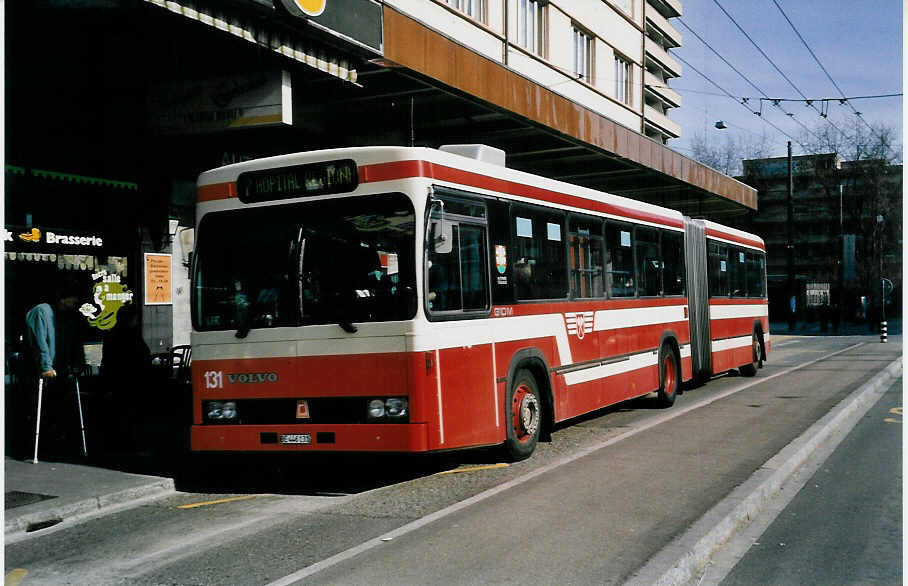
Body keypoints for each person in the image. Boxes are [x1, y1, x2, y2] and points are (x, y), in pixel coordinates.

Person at [18, 286, 85, 458]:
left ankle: (55, 446)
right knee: (38, 410)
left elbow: (74, 341)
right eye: (72, 299)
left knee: (58, 409)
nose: (75, 303)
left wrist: (77, 362)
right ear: (62, 298)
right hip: (40, 370)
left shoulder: (69, 316)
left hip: (60, 369)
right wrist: (46, 367)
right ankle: (34, 448)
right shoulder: (41, 311)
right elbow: (39, 342)